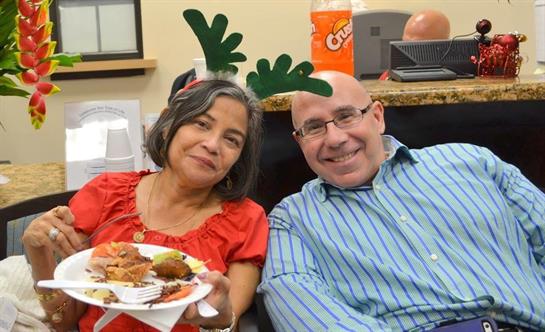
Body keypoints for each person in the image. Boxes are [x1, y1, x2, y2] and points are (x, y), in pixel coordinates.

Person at [258, 70, 545, 331]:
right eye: (314, 128)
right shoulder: (292, 220)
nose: (334, 138)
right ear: (300, 142)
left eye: (346, 116)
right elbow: (305, 312)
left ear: (377, 117)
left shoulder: (472, 161)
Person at [22, 78, 269, 332]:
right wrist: (38, 252)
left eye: (232, 140)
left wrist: (219, 319)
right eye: (202, 124)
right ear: (167, 125)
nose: (213, 144)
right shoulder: (106, 193)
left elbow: (229, 322)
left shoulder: (246, 220)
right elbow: (64, 321)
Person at [379, 9, 450, 80]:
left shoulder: (456, 77)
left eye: (417, 47)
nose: (408, 53)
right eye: (405, 44)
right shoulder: (389, 76)